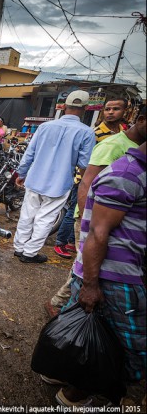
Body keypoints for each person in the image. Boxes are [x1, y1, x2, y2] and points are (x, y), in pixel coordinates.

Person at [51, 141, 146, 408]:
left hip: (107, 272)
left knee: (76, 329)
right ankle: (77, 394)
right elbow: (97, 232)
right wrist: (91, 284)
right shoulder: (127, 174)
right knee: (126, 349)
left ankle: (58, 372)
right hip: (114, 275)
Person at [46, 104, 146, 317]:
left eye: (116, 109)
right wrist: (85, 221)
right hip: (98, 223)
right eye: (108, 109)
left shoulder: (125, 139)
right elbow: (86, 183)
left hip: (112, 226)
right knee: (85, 270)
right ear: (141, 120)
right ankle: (62, 308)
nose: (111, 112)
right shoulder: (113, 144)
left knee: (83, 268)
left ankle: (64, 306)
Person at [13, 90, 95, 263]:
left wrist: (21, 173)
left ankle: (19, 248)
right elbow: (83, 164)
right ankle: (29, 253)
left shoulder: (44, 127)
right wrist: (84, 184)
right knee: (45, 219)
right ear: (85, 109)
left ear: (64, 107)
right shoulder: (86, 132)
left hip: (35, 178)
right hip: (60, 183)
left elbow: (30, 153)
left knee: (27, 215)